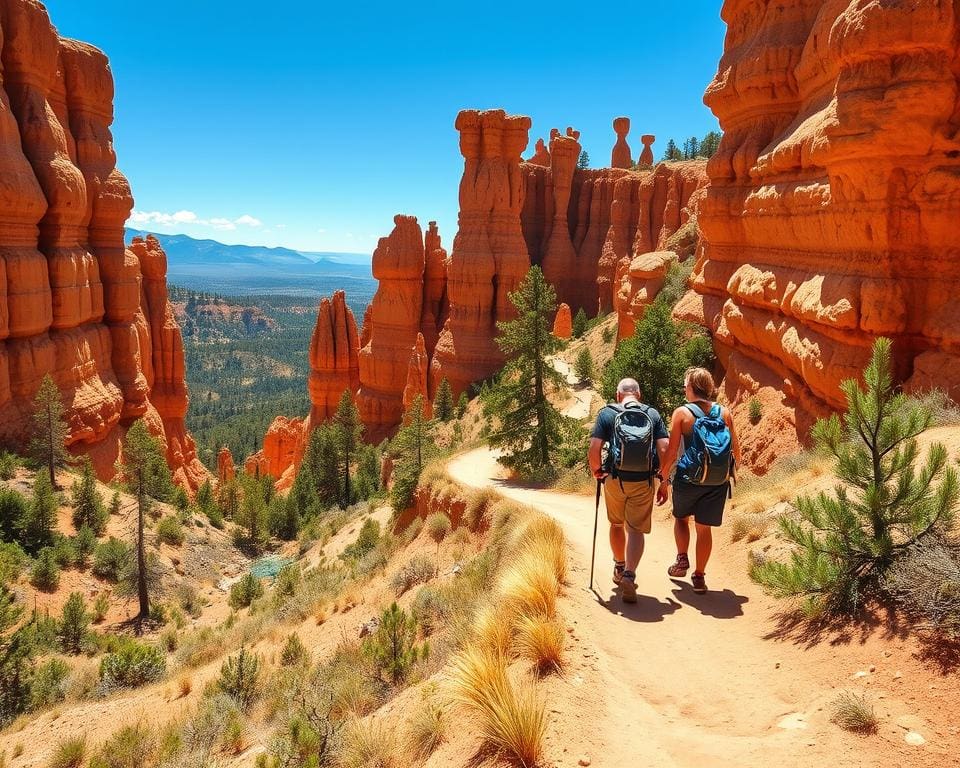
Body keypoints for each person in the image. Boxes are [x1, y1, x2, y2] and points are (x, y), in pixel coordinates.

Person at [658, 367, 741, 594]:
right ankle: (699, 576)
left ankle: (682, 559)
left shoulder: (682, 413)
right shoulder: (725, 413)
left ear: (693, 387)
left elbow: (672, 451)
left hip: (688, 478)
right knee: (704, 529)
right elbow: (736, 449)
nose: (684, 388)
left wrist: (663, 479)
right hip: (717, 482)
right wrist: (729, 474)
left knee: (682, 518)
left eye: (685, 385)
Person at [588, 378, 670, 603]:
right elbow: (664, 448)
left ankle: (619, 566)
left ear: (618, 395)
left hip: (615, 478)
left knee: (616, 523)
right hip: (643, 481)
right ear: (639, 394)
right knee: (635, 530)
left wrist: (597, 471)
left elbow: (594, 448)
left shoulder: (607, 413)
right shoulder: (652, 415)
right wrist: (663, 480)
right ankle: (630, 575)